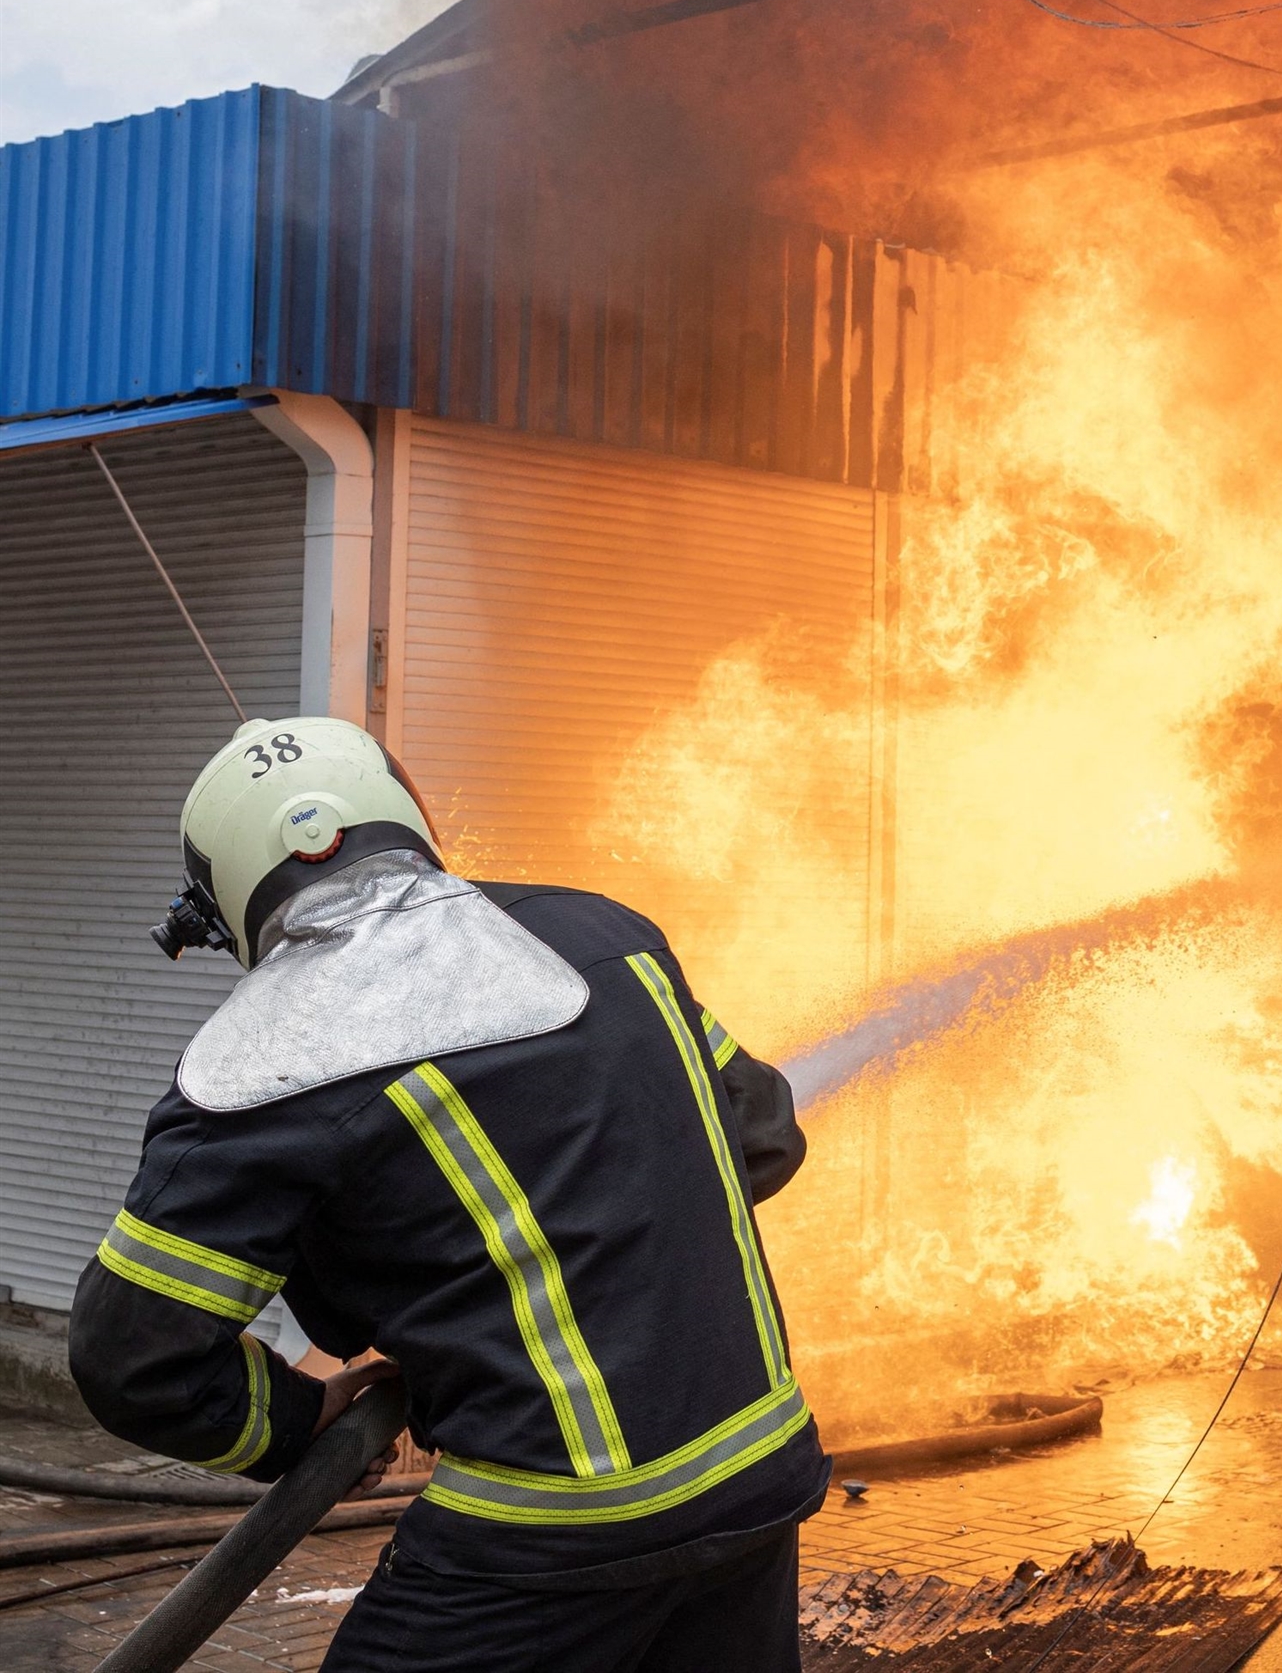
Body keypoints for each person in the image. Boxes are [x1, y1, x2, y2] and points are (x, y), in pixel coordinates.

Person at [71, 715, 827, 1671]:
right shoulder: (604, 938)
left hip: (543, 1536)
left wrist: (301, 1425)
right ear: (410, 814)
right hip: (758, 1476)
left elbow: (131, 1359)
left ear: (222, 906)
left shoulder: (257, 1069)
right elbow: (762, 1139)